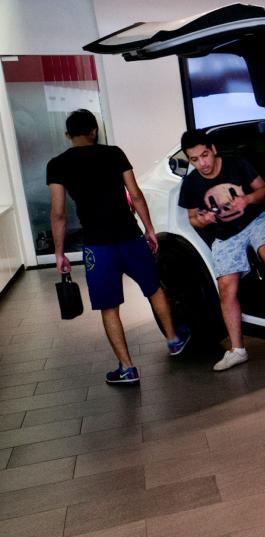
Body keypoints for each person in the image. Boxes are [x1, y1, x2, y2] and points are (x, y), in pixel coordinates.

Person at [47, 109, 190, 385]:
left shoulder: (57, 164)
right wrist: (149, 229)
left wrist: (59, 252)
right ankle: (173, 340)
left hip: (97, 247)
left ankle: (127, 368)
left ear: (68, 135)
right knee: (154, 289)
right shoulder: (114, 153)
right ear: (93, 131)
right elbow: (135, 194)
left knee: (109, 307)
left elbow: (58, 213)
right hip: (130, 236)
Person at [177, 129, 265, 371]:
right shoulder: (190, 183)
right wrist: (201, 220)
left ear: (212, 149)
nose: (202, 163)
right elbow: (192, 217)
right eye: (194, 159)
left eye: (204, 155)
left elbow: (264, 190)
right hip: (225, 234)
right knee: (225, 287)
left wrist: (247, 200)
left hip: (255, 220)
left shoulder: (236, 164)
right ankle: (238, 350)